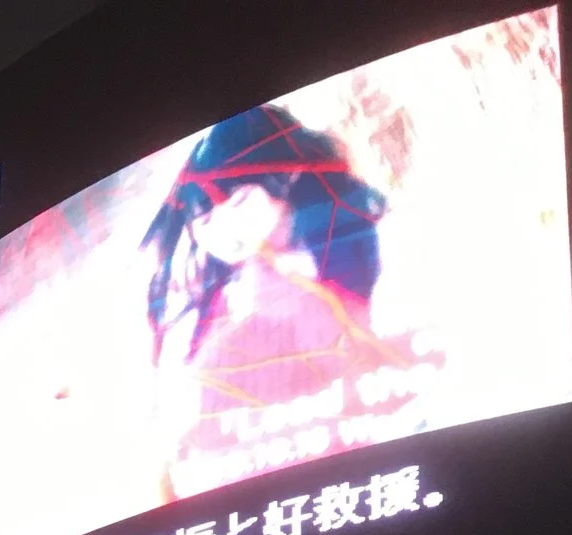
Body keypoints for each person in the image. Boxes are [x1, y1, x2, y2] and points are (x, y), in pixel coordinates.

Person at [140, 102, 421, 501]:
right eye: (202, 222)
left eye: (238, 203)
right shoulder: (221, 298)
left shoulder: (374, 246)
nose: (224, 228)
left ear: (286, 175)